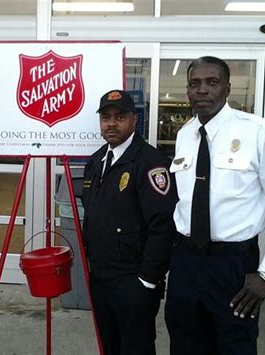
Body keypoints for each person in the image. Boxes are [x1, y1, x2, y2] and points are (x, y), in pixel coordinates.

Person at [165, 56, 265, 355]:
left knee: (234, 344)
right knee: (184, 342)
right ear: (187, 91)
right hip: (185, 261)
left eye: (211, 82)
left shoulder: (257, 132)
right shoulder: (185, 134)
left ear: (227, 88)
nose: (202, 90)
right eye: (194, 84)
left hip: (233, 265)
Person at [81, 89, 177, 355]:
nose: (111, 123)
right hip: (101, 277)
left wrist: (147, 280)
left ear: (134, 120)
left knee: (136, 349)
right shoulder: (97, 160)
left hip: (133, 280)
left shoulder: (150, 163)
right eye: (105, 117)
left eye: (120, 116)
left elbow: (164, 226)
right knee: (109, 346)